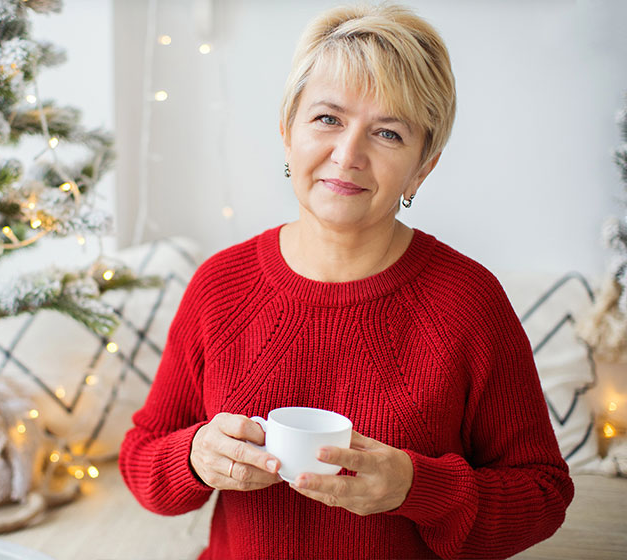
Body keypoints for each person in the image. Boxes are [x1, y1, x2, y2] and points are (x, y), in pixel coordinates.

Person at [119, 4, 574, 559]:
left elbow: (544, 494)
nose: (348, 155)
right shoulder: (220, 286)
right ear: (288, 132)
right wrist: (193, 456)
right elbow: (141, 458)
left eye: (387, 132)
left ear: (423, 165)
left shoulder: (469, 302)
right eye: (328, 119)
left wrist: (417, 487)